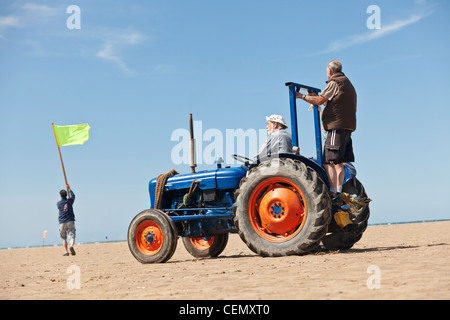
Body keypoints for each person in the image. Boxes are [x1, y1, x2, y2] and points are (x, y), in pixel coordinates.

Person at [296, 60, 357, 196]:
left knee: (329, 162)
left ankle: (334, 191)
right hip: (347, 127)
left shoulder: (335, 83)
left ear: (329, 71)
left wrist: (301, 96)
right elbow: (333, 104)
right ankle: (339, 190)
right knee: (339, 162)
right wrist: (313, 98)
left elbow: (320, 101)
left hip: (336, 126)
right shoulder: (347, 83)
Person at [57, 185, 76, 256]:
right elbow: (73, 196)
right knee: (72, 235)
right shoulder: (70, 201)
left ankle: (66, 251)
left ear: (60, 196)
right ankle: (71, 246)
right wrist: (69, 189)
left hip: (62, 222)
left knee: (63, 238)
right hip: (70, 221)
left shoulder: (58, 203)